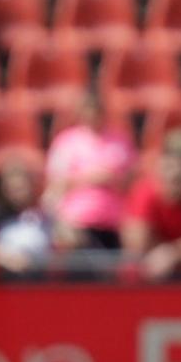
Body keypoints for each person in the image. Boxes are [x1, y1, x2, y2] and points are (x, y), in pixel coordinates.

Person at [42, 91, 132, 251]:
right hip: (77, 222)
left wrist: (111, 179)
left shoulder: (120, 140)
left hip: (113, 222)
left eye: (95, 110)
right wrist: (94, 178)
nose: (91, 115)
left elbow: (129, 180)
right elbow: (57, 183)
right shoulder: (65, 142)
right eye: (87, 110)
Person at [123, 130, 181, 280]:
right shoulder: (145, 192)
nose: (178, 178)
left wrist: (172, 253)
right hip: (146, 278)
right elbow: (137, 242)